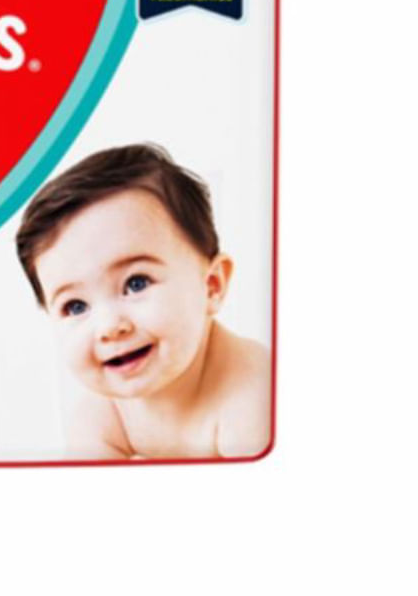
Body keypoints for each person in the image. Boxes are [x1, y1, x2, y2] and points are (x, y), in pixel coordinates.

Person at [16, 144, 271, 460]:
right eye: (76, 306)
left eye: (136, 283)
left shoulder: (255, 401)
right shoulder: (103, 413)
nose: (109, 327)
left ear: (211, 286)